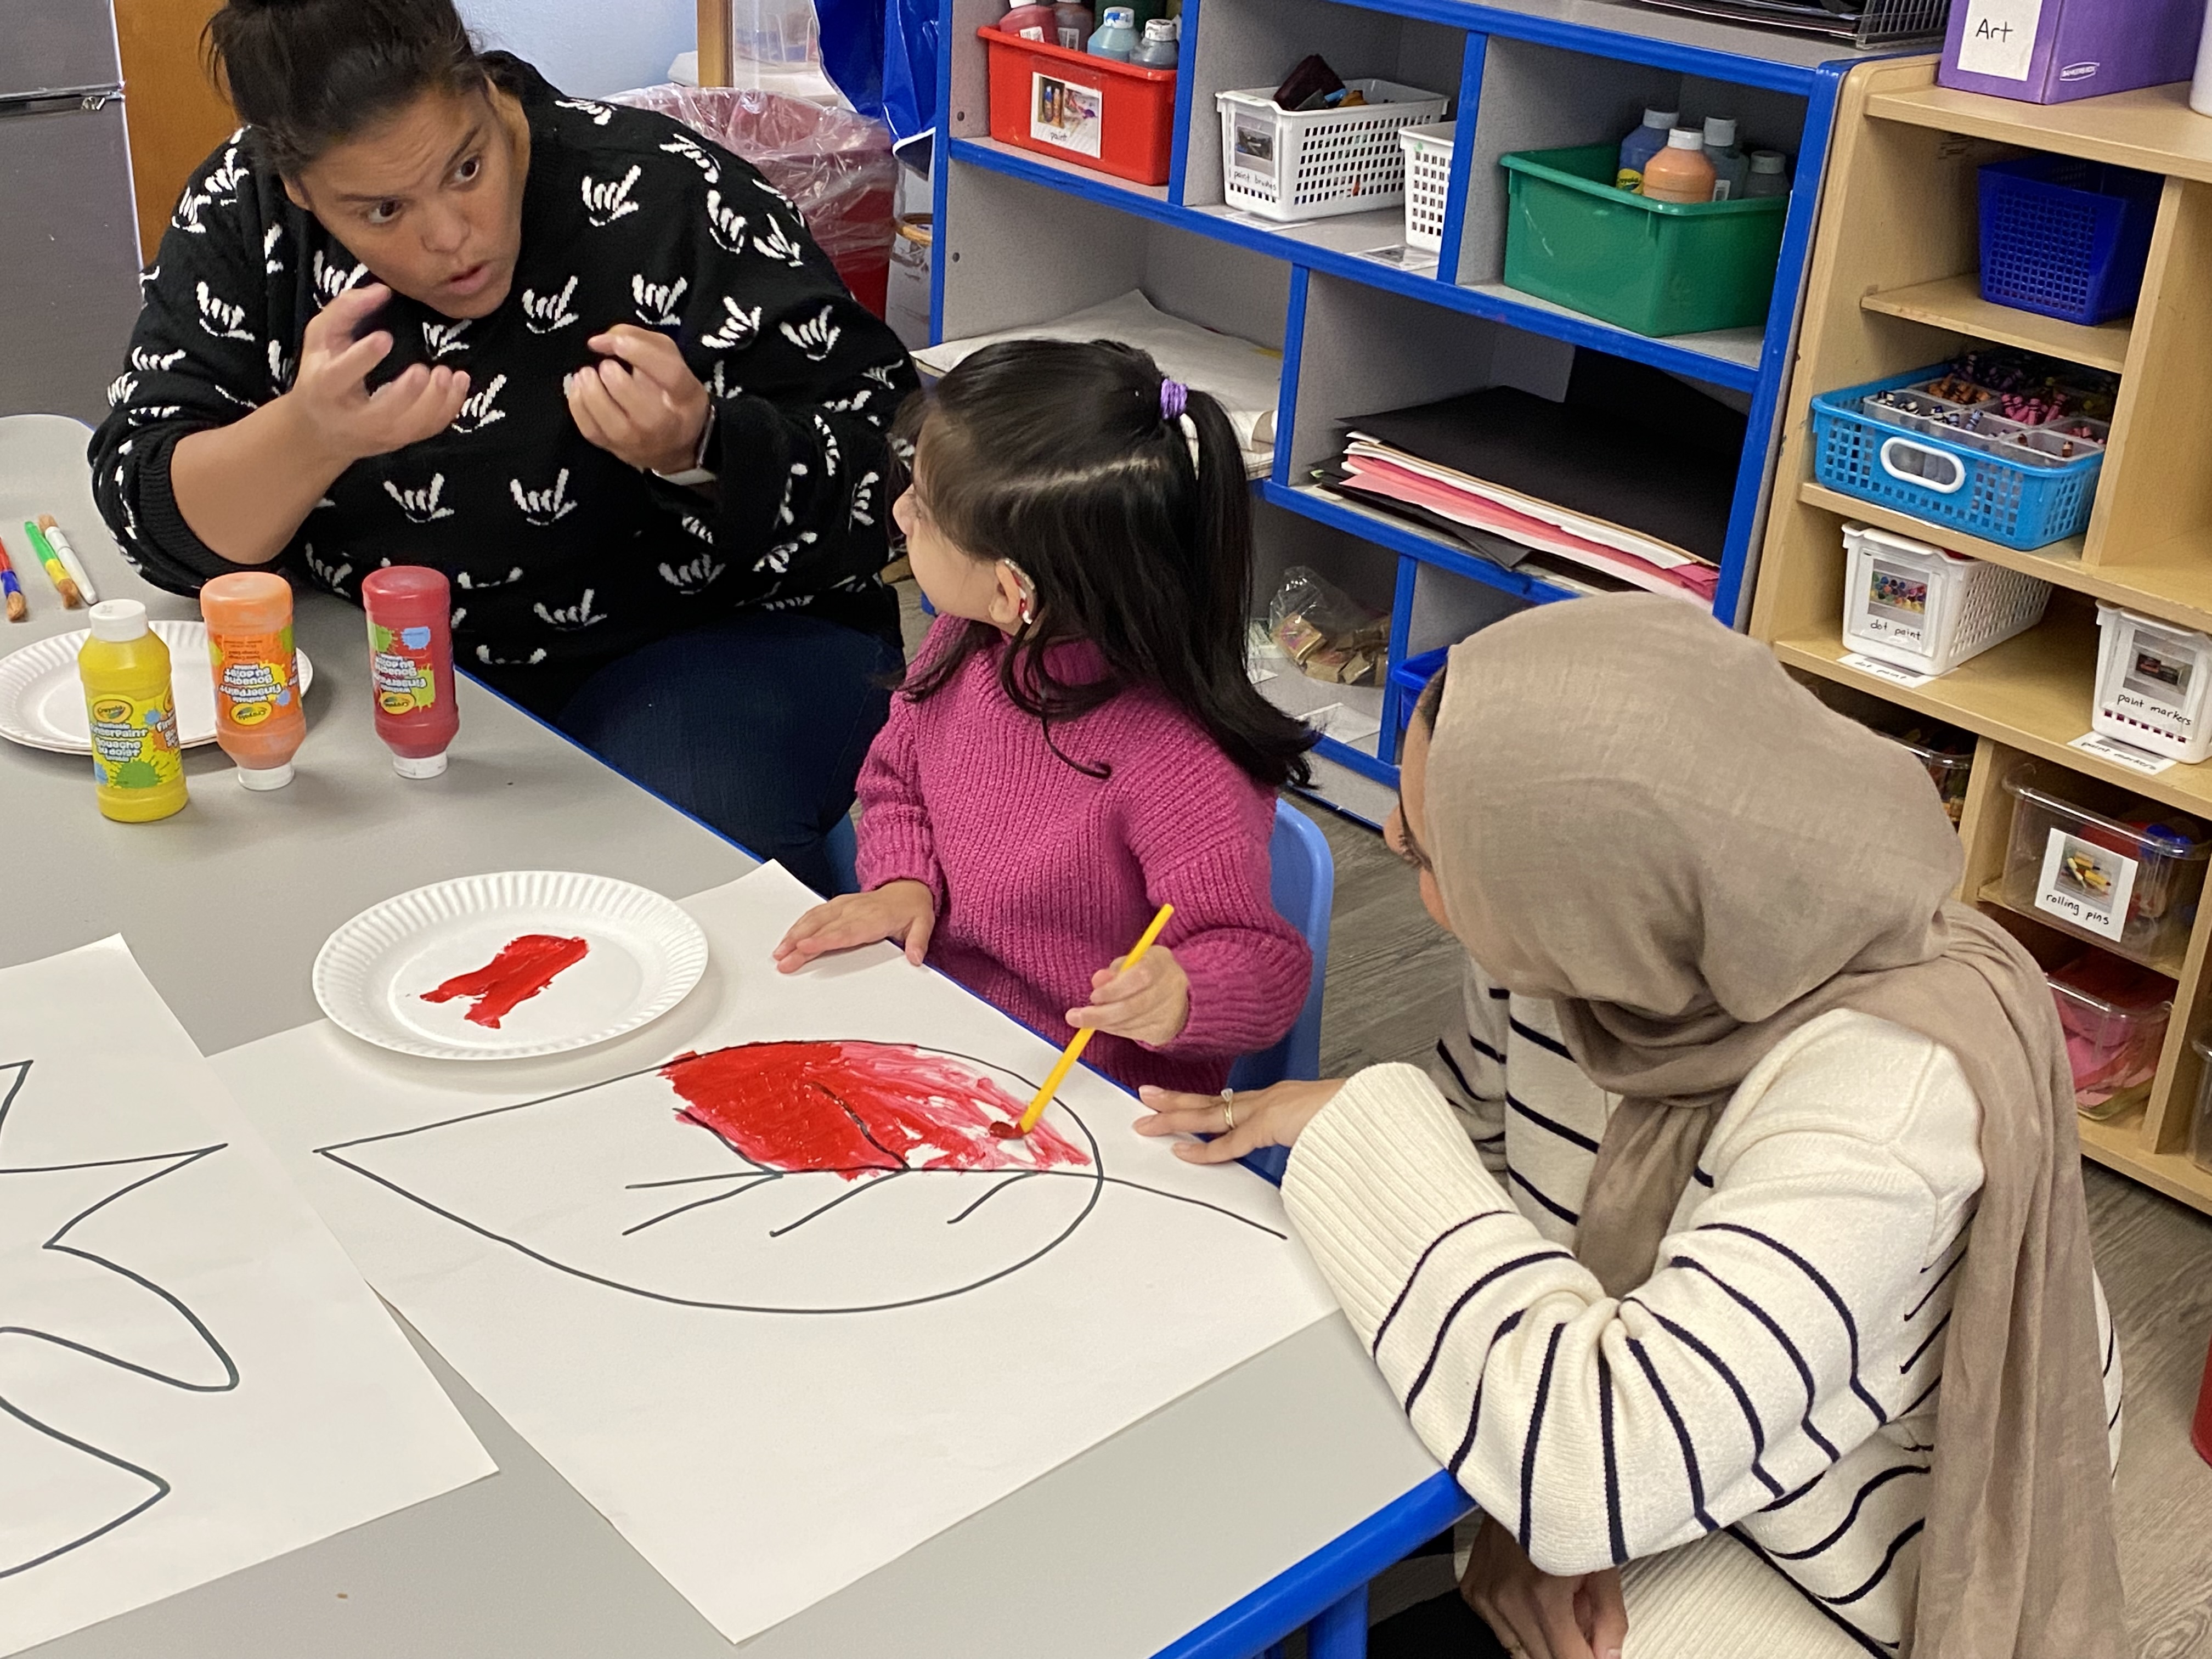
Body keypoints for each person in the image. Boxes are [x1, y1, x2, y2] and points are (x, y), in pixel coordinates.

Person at [1137, 596, 2126, 1659]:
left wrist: (1356, 1126)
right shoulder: (1586, 936)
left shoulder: (1890, 1096)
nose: (1395, 847)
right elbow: (1484, 1152)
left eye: (1423, 851)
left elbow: (1604, 1464)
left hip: (1822, 1555)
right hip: (1665, 1435)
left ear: (1597, 894)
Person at [91, 0, 916, 894]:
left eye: (468, 166)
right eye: (380, 210)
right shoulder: (248, 215)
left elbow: (906, 482)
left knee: (655, 883)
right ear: (298, 188)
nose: (450, 236)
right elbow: (152, 520)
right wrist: (305, 435)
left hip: (704, 645)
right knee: (270, 882)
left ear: (485, 86)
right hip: (378, 658)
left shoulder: (668, 193)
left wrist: (706, 442)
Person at [772, 340, 1312, 1094]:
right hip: (948, 1035)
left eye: (922, 509)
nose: (898, 512)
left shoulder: (1179, 766)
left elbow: (1266, 963)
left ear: (1012, 592)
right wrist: (906, 883)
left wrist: (1183, 991)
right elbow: (900, 782)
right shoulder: (968, 642)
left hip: (1079, 1102)